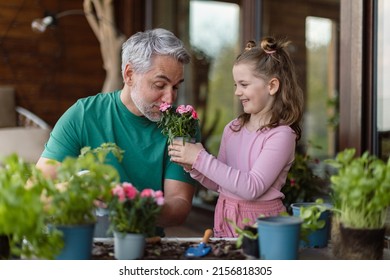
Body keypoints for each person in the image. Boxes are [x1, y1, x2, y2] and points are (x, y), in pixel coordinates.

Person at [36, 28, 199, 233]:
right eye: (160, 85)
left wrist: (130, 202)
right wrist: (76, 190)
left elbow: (179, 206)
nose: (170, 98)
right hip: (86, 243)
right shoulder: (83, 115)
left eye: (176, 87)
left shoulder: (181, 125)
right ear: (129, 75)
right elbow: (36, 193)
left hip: (145, 246)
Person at [168, 37, 304, 238]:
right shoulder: (233, 128)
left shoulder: (281, 135)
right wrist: (193, 167)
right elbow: (220, 183)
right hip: (225, 217)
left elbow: (251, 188)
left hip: (261, 225)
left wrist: (200, 158)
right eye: (235, 85)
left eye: (244, 84)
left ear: (272, 86)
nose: (238, 92)